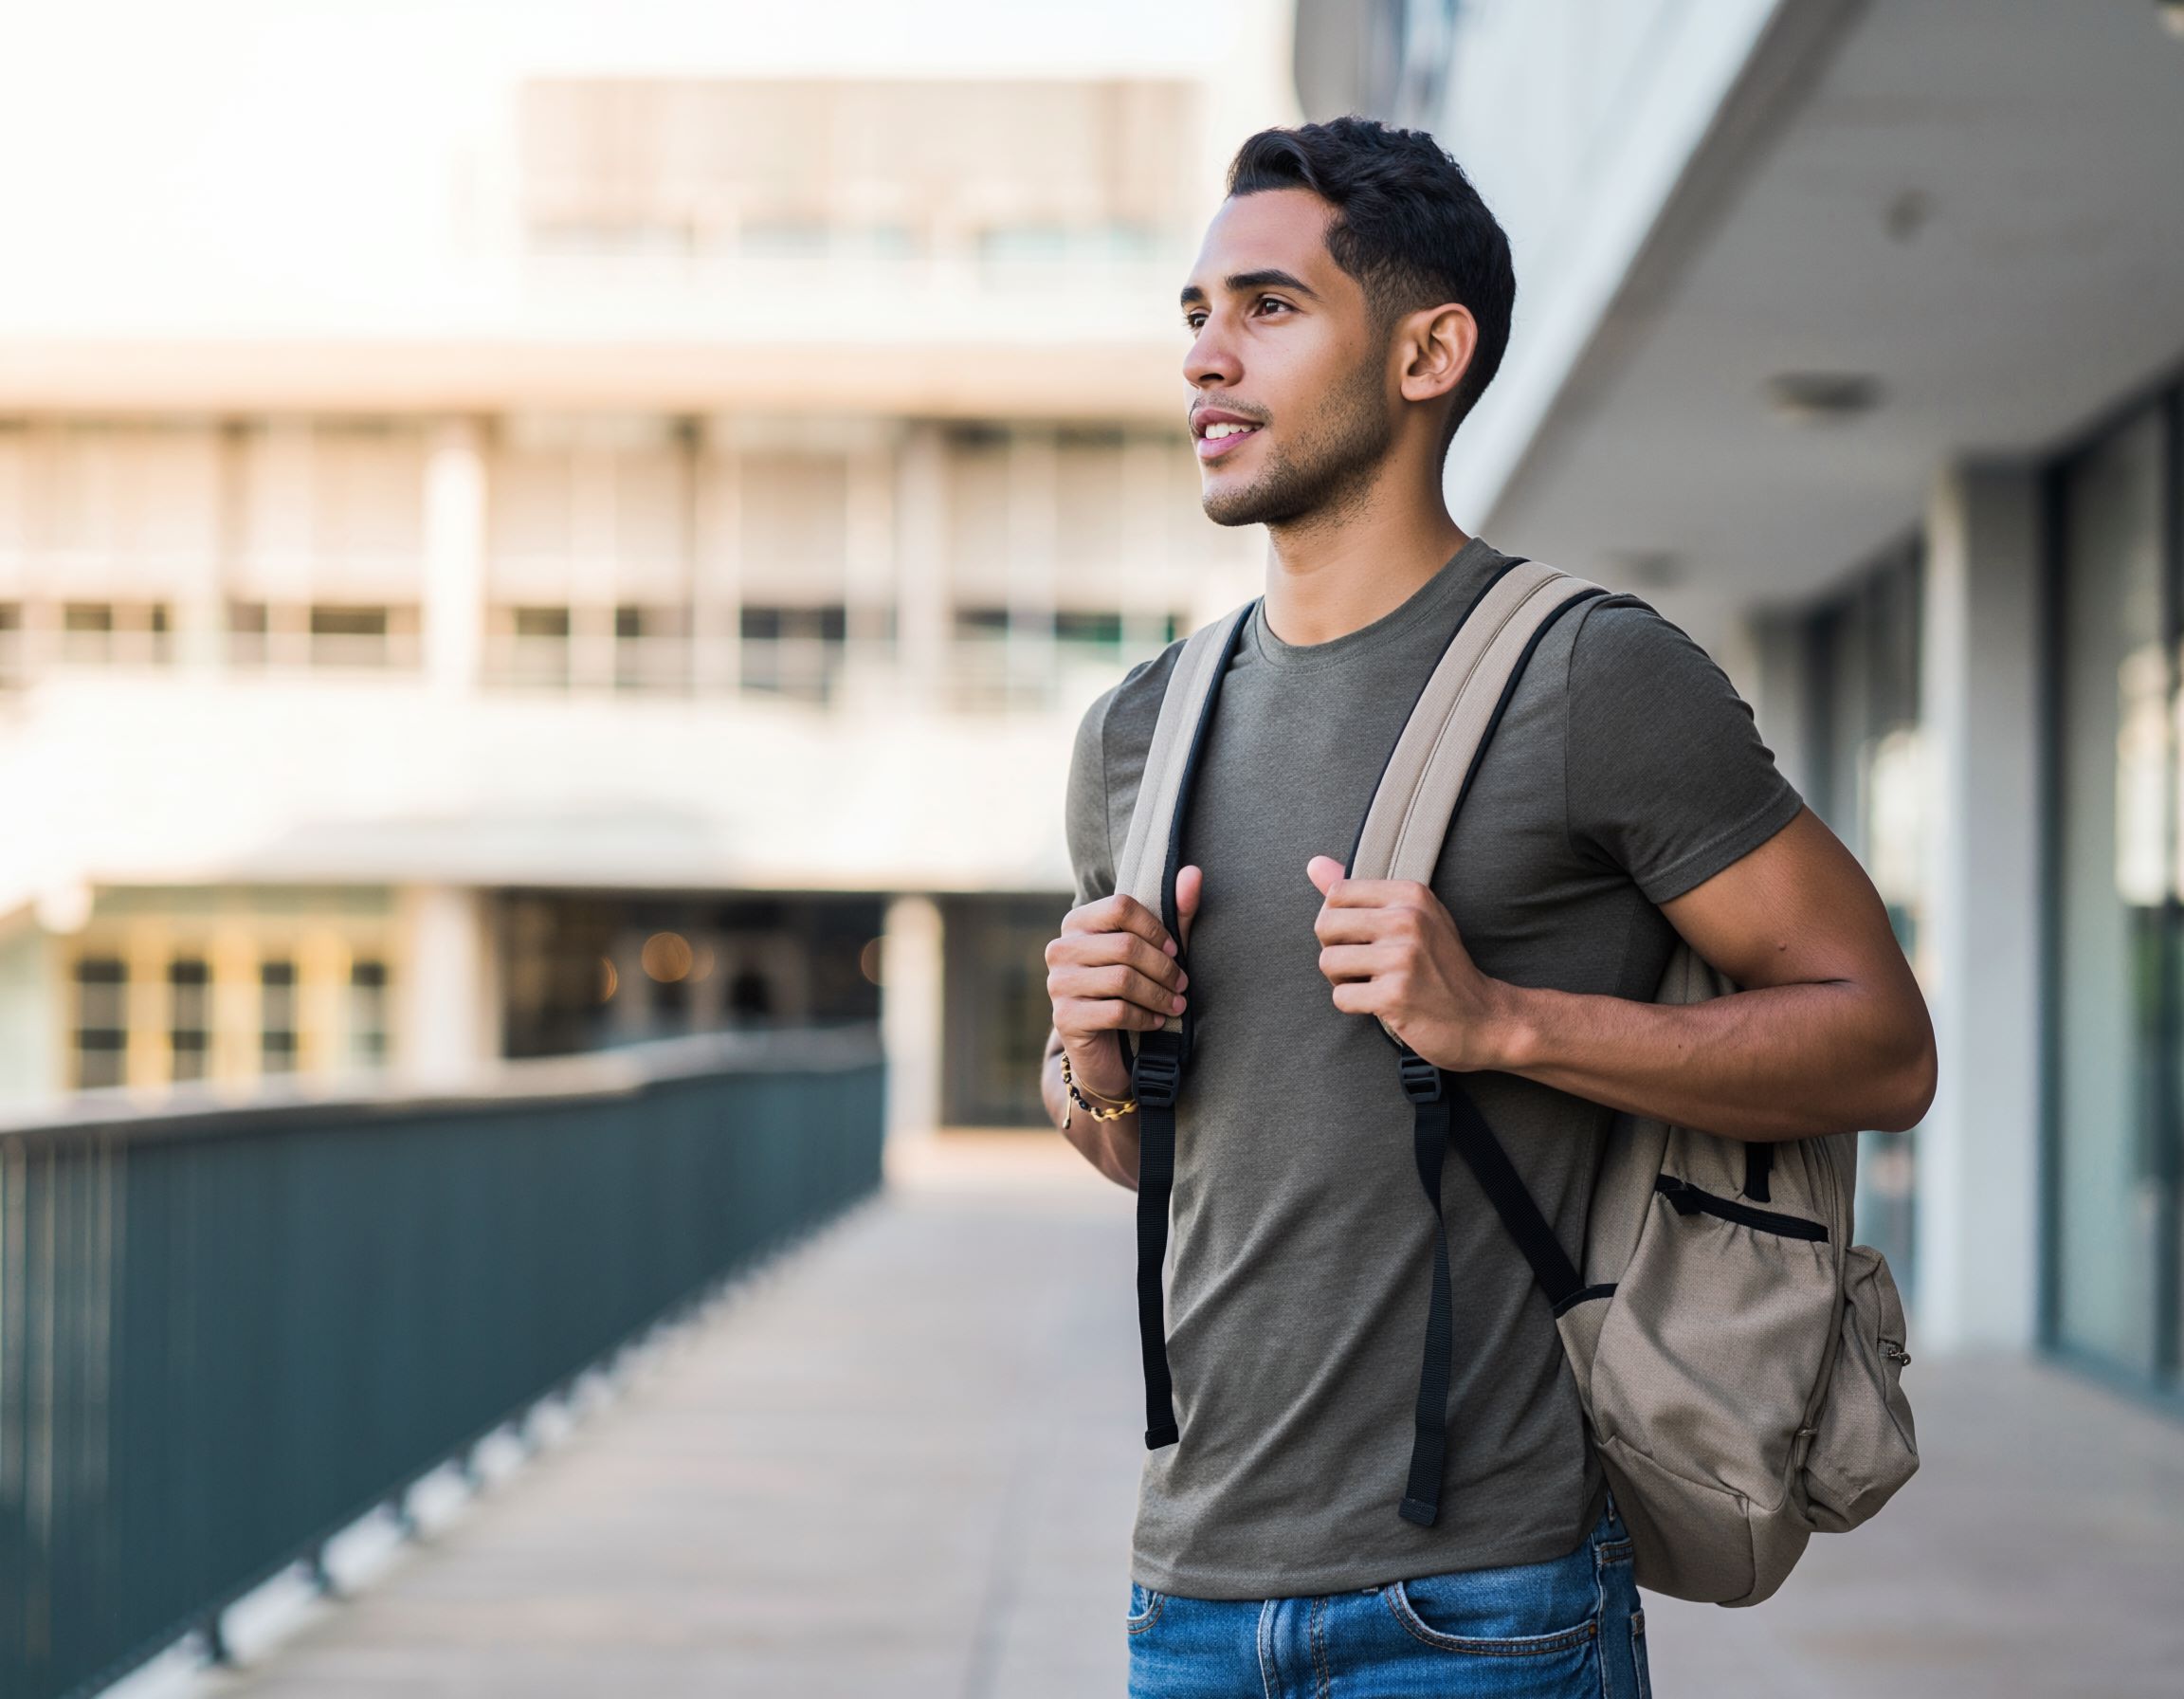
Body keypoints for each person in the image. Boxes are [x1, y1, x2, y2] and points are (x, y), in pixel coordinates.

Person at [1037, 118, 1937, 1697]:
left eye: (1267, 308)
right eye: (1195, 316)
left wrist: (1505, 1021)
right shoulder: (1139, 732)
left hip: (1484, 1610)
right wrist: (1097, 1069)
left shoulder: (1589, 676)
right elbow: (1171, 1165)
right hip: (1185, 1597)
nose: (1206, 360)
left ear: (1427, 351)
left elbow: (1881, 1046)